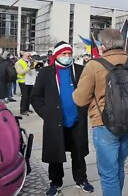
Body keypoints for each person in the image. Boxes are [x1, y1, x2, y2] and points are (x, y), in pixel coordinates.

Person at [73, 28, 128, 196]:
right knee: (119, 167)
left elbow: (80, 100)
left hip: (103, 124)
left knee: (108, 173)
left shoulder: (93, 65)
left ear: (103, 46)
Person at [30, 42, 93, 196]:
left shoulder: (79, 70)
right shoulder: (46, 72)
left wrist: (84, 109)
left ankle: (81, 179)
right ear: (57, 55)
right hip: (55, 121)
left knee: (78, 152)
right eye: (64, 54)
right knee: (55, 153)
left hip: (76, 120)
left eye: (69, 54)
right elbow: (35, 97)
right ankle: (55, 182)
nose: (67, 57)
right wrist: (47, 113)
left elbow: (89, 92)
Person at [15, 51, 34, 115]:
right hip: (23, 82)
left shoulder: (30, 61)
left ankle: (27, 108)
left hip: (30, 81)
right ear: (24, 56)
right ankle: (22, 110)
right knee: (25, 96)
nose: (29, 57)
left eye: (30, 56)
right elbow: (20, 72)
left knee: (29, 96)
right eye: (28, 56)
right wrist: (29, 68)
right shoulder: (19, 62)